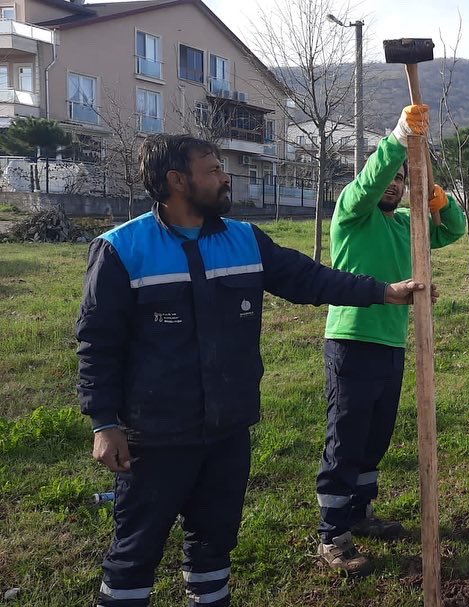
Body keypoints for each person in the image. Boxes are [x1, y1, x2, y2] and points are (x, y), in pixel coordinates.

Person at [77, 134, 432, 607]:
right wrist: (104, 423)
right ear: (176, 180)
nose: (225, 177)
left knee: (214, 544)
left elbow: (308, 278)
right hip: (155, 435)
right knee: (136, 549)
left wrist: (383, 291)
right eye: (212, 169)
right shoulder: (122, 250)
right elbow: (98, 343)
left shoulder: (243, 239)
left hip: (228, 429)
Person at [316, 104, 466, 573]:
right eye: (392, 179)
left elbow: (454, 231)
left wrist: (436, 195)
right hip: (352, 339)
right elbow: (368, 181)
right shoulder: (353, 213)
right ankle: (332, 533)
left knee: (376, 435)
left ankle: (360, 514)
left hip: (393, 344)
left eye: (403, 181)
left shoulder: (406, 226)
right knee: (346, 435)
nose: (396, 185)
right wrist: (400, 138)